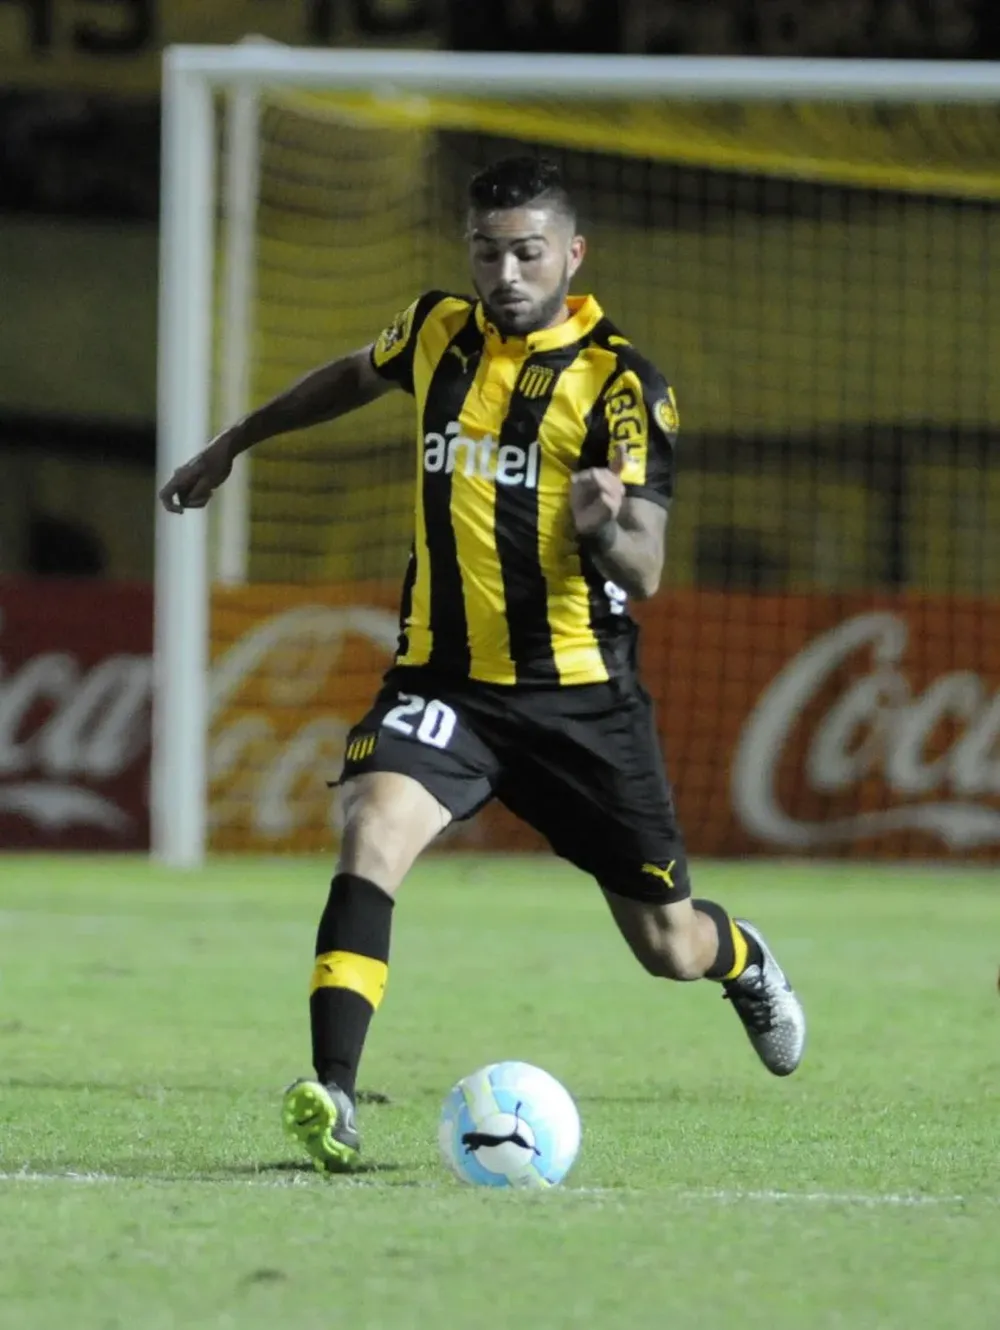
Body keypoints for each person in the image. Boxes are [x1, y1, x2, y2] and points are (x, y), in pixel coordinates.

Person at [159, 156, 806, 1174]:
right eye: (487, 252)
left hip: (578, 700)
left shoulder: (622, 385)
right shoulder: (436, 330)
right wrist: (235, 441)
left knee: (667, 945)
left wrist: (600, 526)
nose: (505, 273)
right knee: (371, 831)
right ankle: (334, 1093)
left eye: (527, 254)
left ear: (572, 255)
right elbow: (352, 373)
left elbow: (646, 566)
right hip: (442, 681)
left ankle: (744, 960)